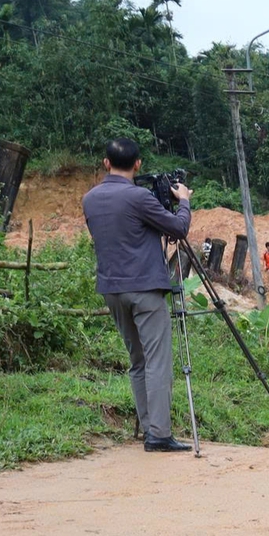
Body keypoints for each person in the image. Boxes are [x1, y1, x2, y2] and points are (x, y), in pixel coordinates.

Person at [82, 137, 194, 452]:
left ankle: (150, 428)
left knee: (138, 360)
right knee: (157, 360)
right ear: (138, 165)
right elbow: (178, 228)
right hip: (144, 288)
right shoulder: (139, 198)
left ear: (106, 163)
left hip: (112, 290)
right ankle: (158, 435)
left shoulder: (89, 199)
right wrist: (183, 200)